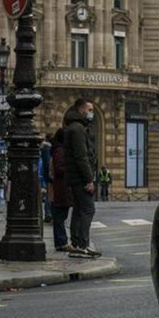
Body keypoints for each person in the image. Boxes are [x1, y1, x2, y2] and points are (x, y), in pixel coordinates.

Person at [63, 98, 101, 257]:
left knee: (79, 210)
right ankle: (83, 244)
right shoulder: (78, 129)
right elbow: (81, 157)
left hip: (74, 177)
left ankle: (77, 244)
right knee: (88, 209)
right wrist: (88, 179)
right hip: (80, 178)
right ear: (81, 110)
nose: (91, 113)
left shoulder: (74, 127)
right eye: (90, 110)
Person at [48, 128, 73, 252]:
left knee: (59, 217)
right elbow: (59, 168)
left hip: (59, 189)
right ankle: (62, 242)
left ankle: (59, 243)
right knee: (60, 217)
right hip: (61, 189)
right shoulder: (60, 150)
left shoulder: (57, 149)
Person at [40, 135, 53, 223]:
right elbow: (48, 164)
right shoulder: (48, 149)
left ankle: (48, 214)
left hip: (46, 176)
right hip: (50, 176)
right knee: (50, 195)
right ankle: (49, 213)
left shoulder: (45, 149)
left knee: (49, 195)